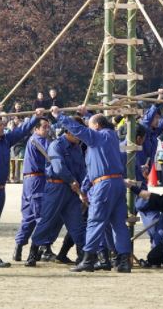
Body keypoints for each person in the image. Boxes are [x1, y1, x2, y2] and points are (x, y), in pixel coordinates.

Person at [53, 105, 133, 273]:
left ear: (96, 126)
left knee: (95, 221)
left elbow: (80, 130)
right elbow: (91, 172)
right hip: (116, 183)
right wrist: (86, 114)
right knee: (119, 223)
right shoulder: (109, 137)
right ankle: (124, 261)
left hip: (104, 185)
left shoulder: (98, 137)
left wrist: (59, 115)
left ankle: (88, 259)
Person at [0, 109, 41, 268]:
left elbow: (21, 131)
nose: (3, 127)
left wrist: (35, 117)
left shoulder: (5, 140)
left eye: (3, 124)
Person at [27, 117, 88, 268]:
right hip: (56, 188)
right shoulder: (56, 145)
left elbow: (82, 169)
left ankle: (82, 256)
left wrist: (83, 188)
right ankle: (33, 252)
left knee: (77, 224)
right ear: (70, 131)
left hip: (72, 190)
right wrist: (71, 180)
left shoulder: (77, 147)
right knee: (47, 221)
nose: (80, 136)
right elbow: (58, 167)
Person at [13, 116, 51, 261]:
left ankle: (18, 246)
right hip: (37, 180)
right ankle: (44, 247)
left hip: (30, 180)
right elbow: (51, 156)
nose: (47, 130)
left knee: (28, 217)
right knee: (41, 215)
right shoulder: (38, 140)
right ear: (36, 128)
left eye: (48, 127)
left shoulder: (33, 140)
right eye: (44, 127)